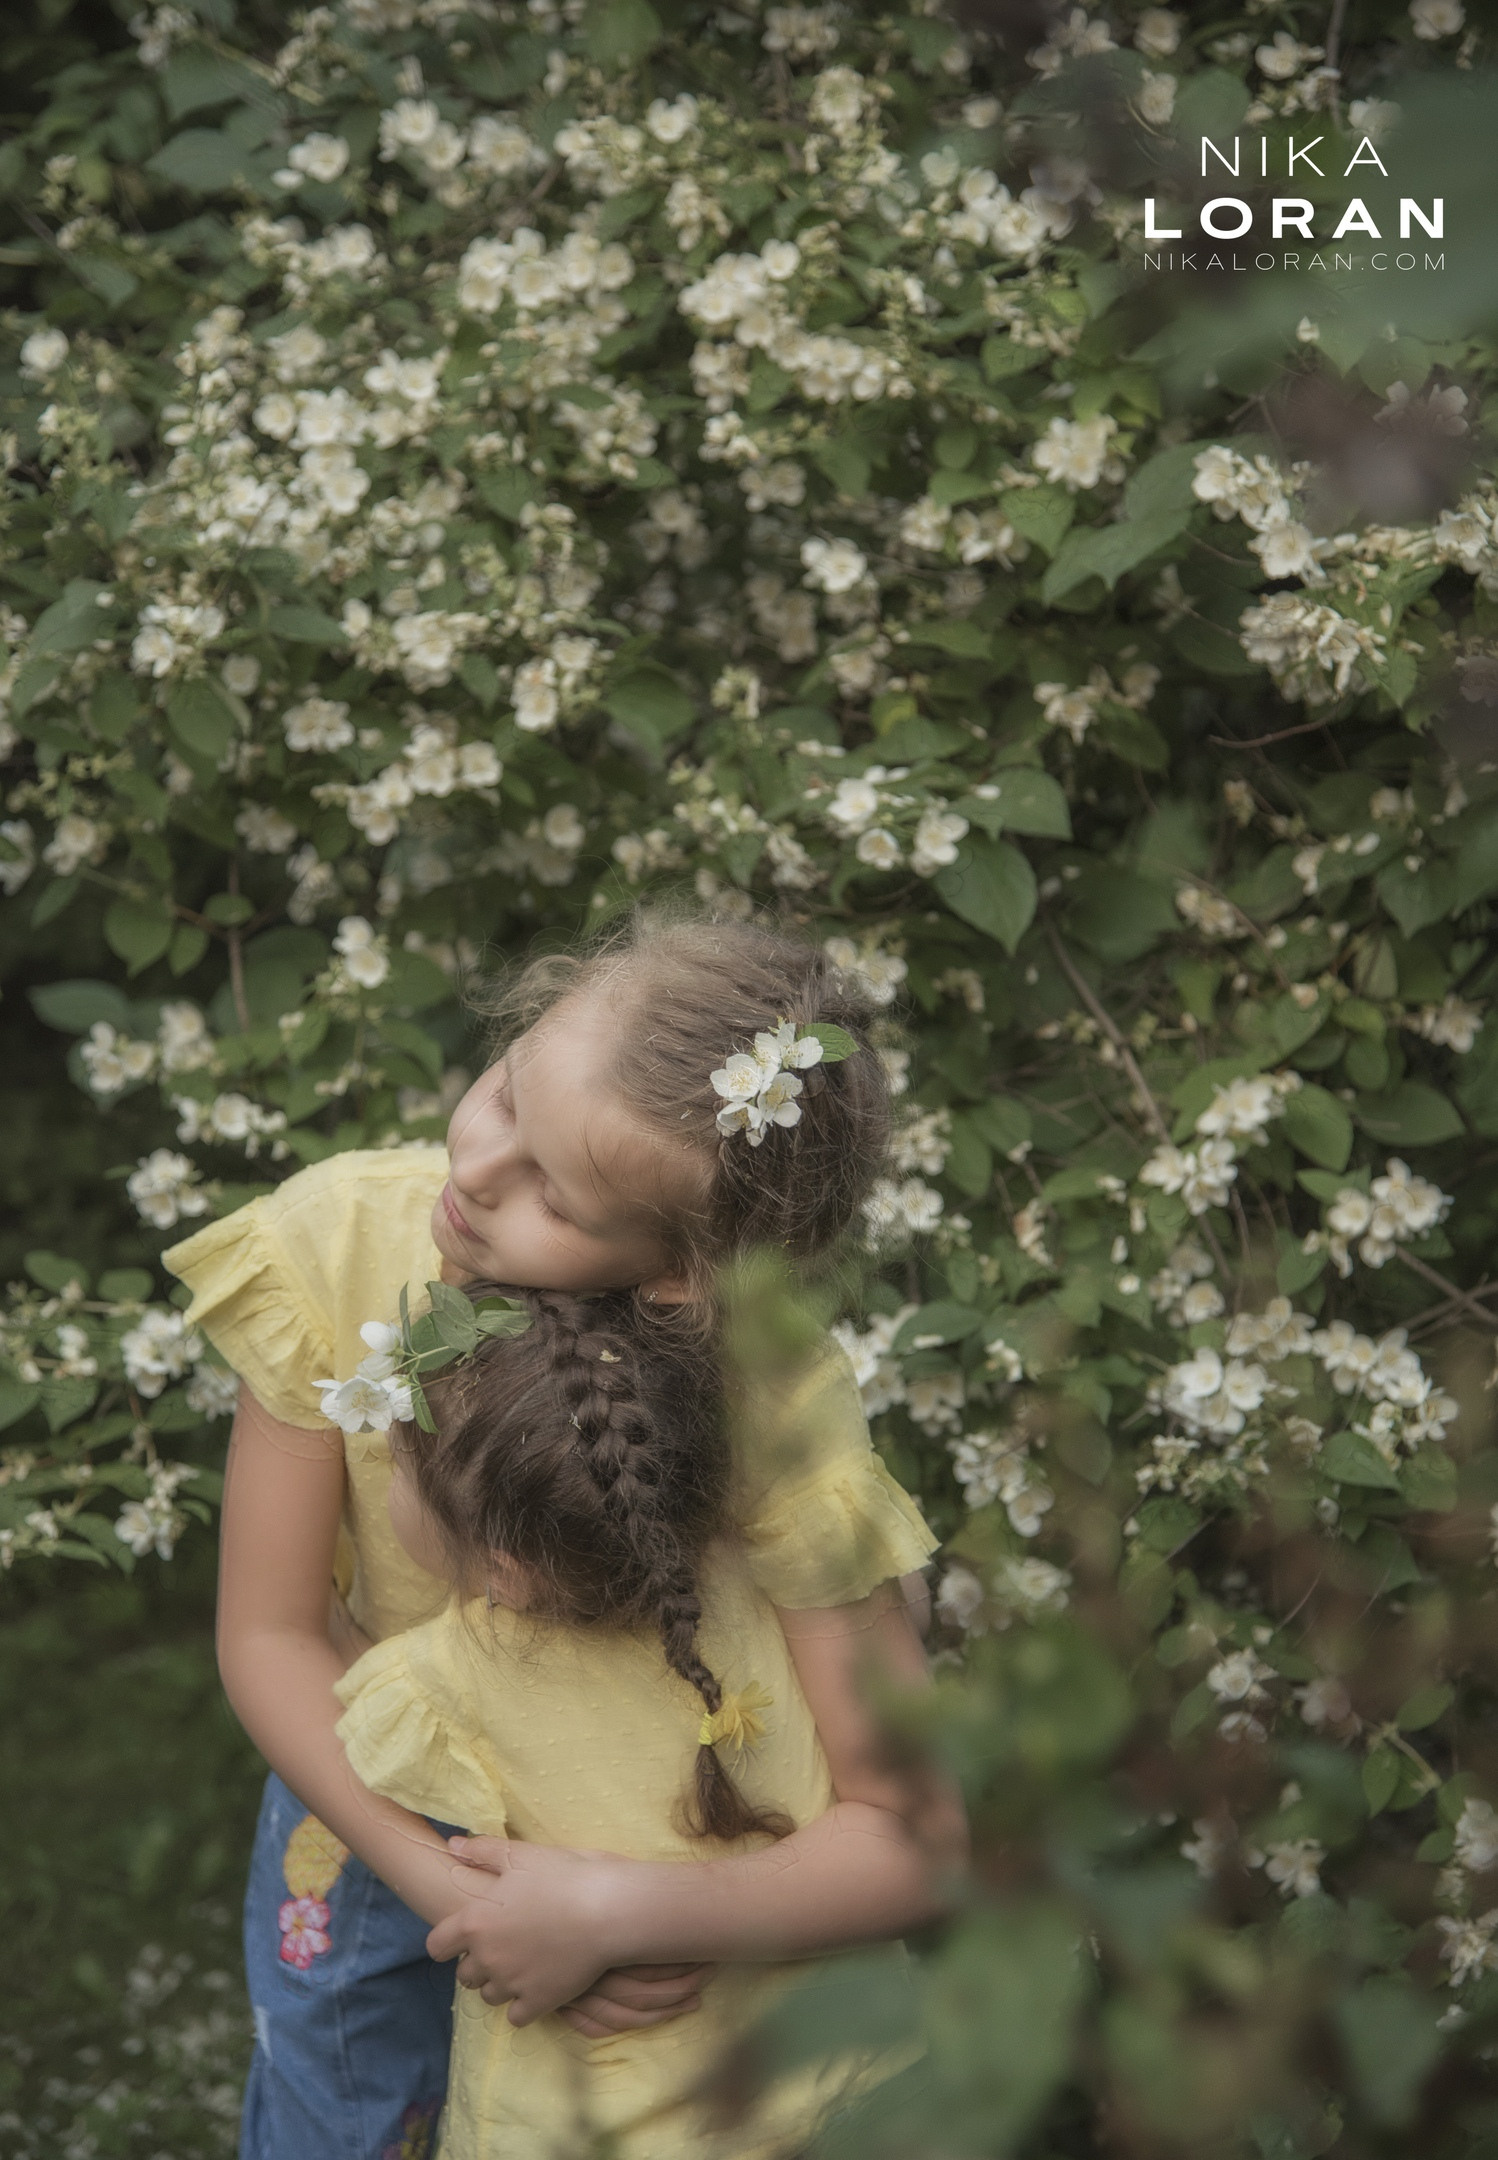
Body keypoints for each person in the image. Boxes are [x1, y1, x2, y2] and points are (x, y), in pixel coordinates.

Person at [165, 909, 941, 2160]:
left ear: (680, 1274)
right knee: (343, 2120)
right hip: (368, 1805)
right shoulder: (338, 1250)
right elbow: (268, 1631)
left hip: (645, 1837)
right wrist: (454, 1894)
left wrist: (627, 1911)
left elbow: (917, 1828)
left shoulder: (766, 1398)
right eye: (505, 1096)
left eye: (556, 1195)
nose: (475, 1173)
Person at [333, 1279, 942, 2160]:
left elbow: (339, 1726)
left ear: (505, 1569)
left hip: (589, 2119)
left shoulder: (432, 1683)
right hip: (842, 2077)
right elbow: (907, 1609)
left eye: (397, 1468)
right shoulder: (777, 1589)